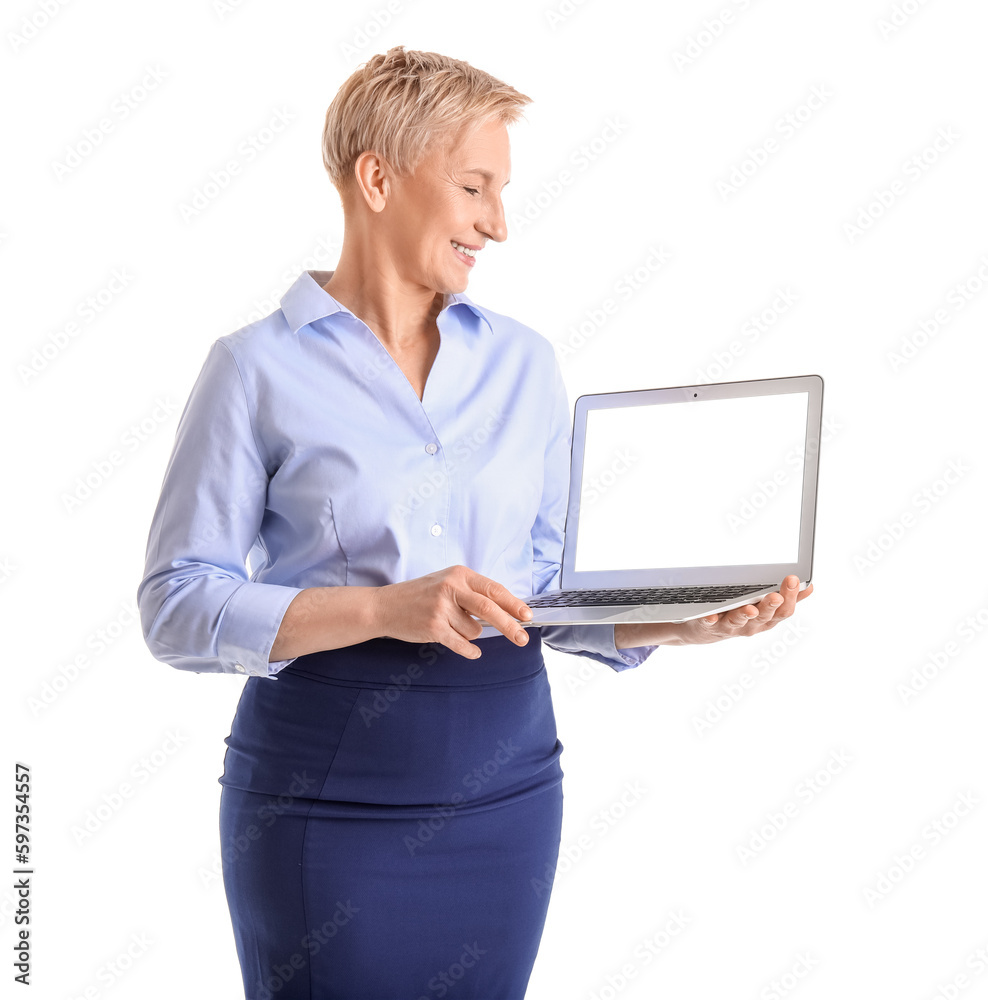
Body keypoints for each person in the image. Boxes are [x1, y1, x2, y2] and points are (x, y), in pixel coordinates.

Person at [136, 46, 813, 1000]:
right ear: (378, 179)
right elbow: (176, 603)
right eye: (474, 186)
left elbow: (535, 588)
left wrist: (678, 621)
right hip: (326, 804)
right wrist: (383, 609)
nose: (498, 222)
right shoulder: (255, 369)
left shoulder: (525, 365)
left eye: (501, 191)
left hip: (509, 796)